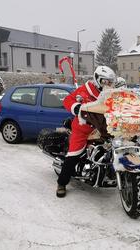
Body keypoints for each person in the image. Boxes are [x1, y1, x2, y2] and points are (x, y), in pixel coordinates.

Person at [56, 66, 117, 197]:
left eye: (111, 82)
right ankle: (62, 183)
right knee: (73, 155)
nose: (109, 85)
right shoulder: (84, 91)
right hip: (83, 129)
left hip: (104, 129)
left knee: (115, 147)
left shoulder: (111, 93)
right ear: (97, 80)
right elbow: (68, 100)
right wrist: (76, 107)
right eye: (105, 81)